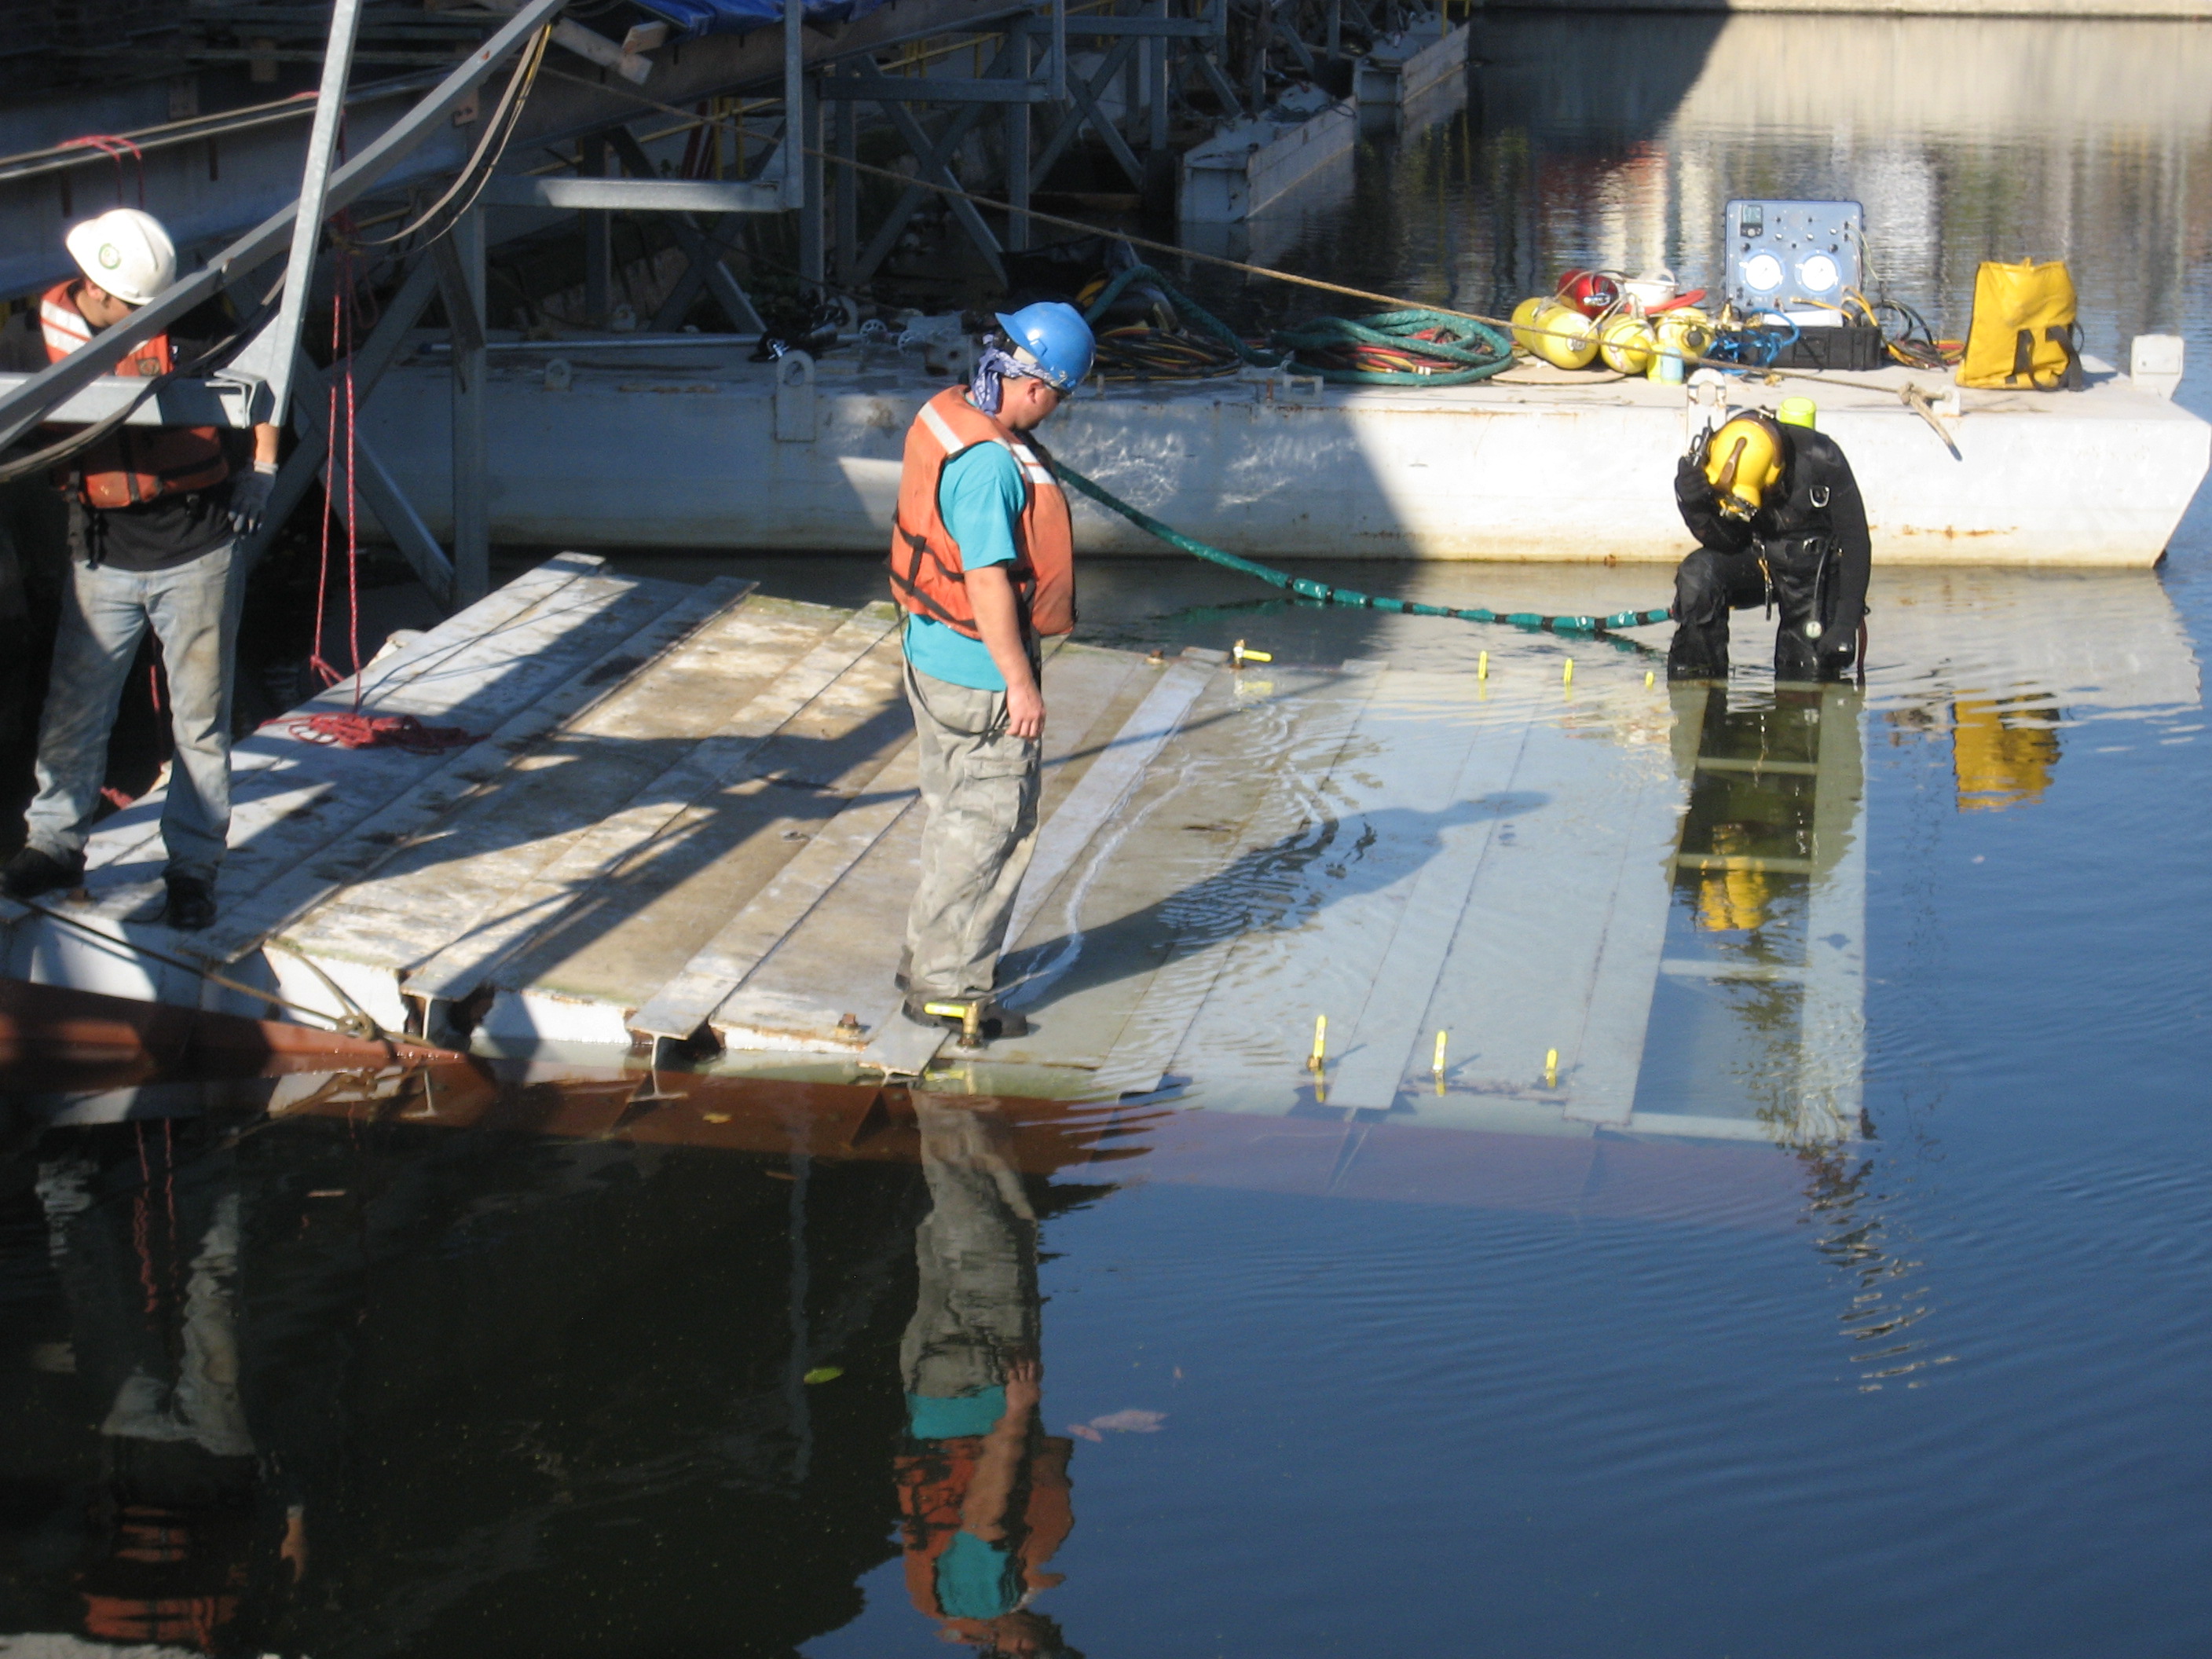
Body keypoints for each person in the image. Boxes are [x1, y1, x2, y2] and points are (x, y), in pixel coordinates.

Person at [0, 208, 280, 929]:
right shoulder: (33, 340)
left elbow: (264, 373)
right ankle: (55, 844)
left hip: (198, 549)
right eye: (133, 307)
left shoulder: (194, 321)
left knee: (200, 723)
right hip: (101, 557)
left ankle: (192, 867)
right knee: (74, 710)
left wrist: (264, 470)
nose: (143, 318)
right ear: (95, 290)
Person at [888, 301, 1095, 1042]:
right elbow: (985, 582)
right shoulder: (990, 472)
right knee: (992, 826)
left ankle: (925, 959)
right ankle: (948, 987)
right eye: (1059, 400)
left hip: (928, 654)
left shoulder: (948, 414)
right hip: (979, 680)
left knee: (954, 813)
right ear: (1038, 388)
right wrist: (1021, 682)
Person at [1668, 396, 1870, 683]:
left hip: (1811, 572)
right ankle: (1700, 685)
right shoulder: (1717, 453)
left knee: (1804, 674)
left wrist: (1845, 624)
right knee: (1698, 576)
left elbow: (1856, 541)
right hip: (1757, 556)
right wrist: (1695, 506)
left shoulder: (1822, 459)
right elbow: (1726, 542)